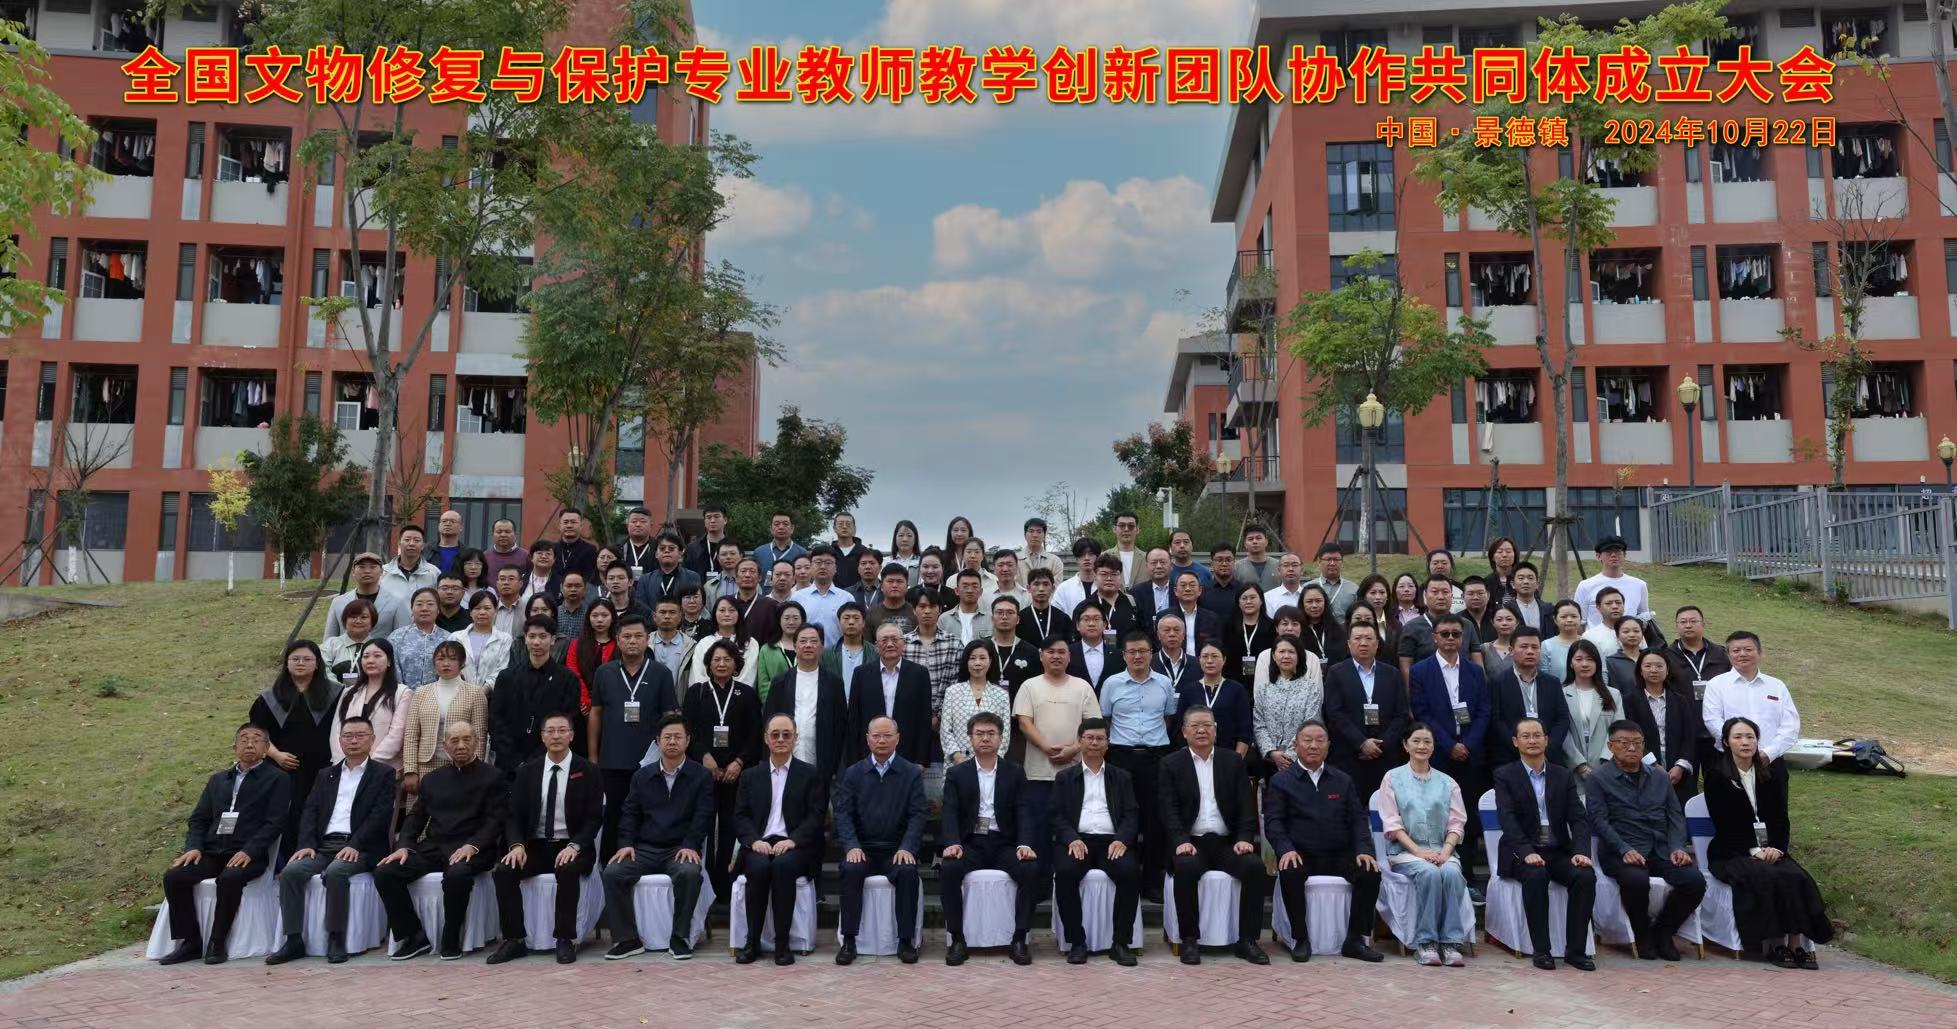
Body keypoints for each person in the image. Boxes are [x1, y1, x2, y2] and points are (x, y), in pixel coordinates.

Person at [155, 724, 293, 965]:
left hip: (248, 855)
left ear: (266, 748)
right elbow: (199, 819)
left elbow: (275, 823)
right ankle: (191, 942)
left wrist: (250, 850)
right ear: (234, 748)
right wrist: (193, 847)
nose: (249, 744)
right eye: (243, 739)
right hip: (212, 852)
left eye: (257, 739)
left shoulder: (277, 779)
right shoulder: (218, 780)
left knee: (229, 878)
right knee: (174, 877)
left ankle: (217, 942)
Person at [1707, 717, 1836, 971]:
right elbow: (1724, 822)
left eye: (1750, 737)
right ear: (1726, 742)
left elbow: (1780, 817)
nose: (1745, 742)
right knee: (1768, 876)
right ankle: (1776, 944)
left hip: (1770, 848)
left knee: (1795, 875)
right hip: (1731, 851)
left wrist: (1777, 847)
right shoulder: (1717, 775)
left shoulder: (1770, 773)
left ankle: (1796, 943)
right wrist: (1754, 850)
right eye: (1738, 737)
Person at [266, 717, 397, 965]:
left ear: (372, 739)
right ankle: (293, 940)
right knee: (291, 872)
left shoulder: (384, 774)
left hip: (361, 847)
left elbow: (379, 816)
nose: (354, 741)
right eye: (348, 736)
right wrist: (306, 844)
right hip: (323, 846)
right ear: (340, 740)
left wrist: (355, 845)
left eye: (360, 735)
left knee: (337, 872)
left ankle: (336, 937)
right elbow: (310, 811)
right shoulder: (326, 774)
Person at [373, 721, 506, 961]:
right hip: (435, 847)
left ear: (477, 742)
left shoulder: (493, 776)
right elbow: (416, 817)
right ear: (445, 746)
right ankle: (413, 936)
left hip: (473, 849)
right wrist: (404, 846)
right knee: (385, 872)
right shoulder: (433, 779)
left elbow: (495, 820)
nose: (461, 745)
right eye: (454, 741)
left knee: (457, 875)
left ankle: (451, 937)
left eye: (466, 739)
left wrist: (473, 845)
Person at [1265, 721, 1386, 963]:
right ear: (1295, 745)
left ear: (1329, 746)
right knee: (1290, 870)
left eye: (1320, 740)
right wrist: (1285, 849)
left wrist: (1364, 850)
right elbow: (1273, 822)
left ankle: (1355, 940)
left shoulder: (1342, 780)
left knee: (1370, 871)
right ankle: (1300, 939)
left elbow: (1357, 820)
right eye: (1307, 740)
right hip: (1300, 852)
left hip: (1338, 853)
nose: (1313, 746)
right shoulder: (1281, 781)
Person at [485, 713, 601, 964]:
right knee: (504, 871)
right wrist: (516, 845)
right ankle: (514, 939)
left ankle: (565, 938)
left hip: (572, 845)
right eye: (550, 731)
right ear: (542, 736)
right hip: (535, 845)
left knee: (568, 868)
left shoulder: (588, 771)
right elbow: (513, 815)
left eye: (562, 730)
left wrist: (575, 845)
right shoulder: (528, 771)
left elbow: (594, 818)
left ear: (572, 735)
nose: (556, 736)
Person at [1587, 719, 1707, 962]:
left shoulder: (1660, 776)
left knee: (1694, 881)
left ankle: (1663, 931)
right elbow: (1599, 821)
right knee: (1636, 880)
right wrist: (1624, 849)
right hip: (1621, 850)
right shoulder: (1598, 778)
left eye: (1637, 743)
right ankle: (1642, 934)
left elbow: (1675, 816)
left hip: (1660, 849)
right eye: (1624, 743)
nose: (1632, 748)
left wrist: (1677, 847)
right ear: (1610, 746)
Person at [1159, 706, 1268, 965]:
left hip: (1226, 842)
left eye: (1207, 725)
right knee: (1185, 868)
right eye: (1195, 726)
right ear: (1184, 732)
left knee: (1254, 868)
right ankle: (1189, 940)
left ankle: (1247, 940)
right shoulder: (1171, 764)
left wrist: (1244, 838)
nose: (1201, 730)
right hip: (1191, 842)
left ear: (1215, 730)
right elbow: (1167, 809)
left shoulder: (1232, 761)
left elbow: (1245, 806)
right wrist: (1180, 841)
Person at [601, 713, 714, 960]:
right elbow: (629, 813)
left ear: (688, 740)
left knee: (689, 873)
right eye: (667, 737)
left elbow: (703, 816)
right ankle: (627, 939)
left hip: (680, 848)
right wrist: (626, 843)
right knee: (613, 873)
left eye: (678, 737)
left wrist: (691, 844)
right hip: (645, 849)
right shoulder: (642, 776)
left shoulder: (700, 776)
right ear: (658, 741)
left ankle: (680, 937)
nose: (672, 742)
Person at [1493, 718, 1598, 971]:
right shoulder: (1505, 775)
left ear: (1546, 740)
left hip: (1557, 850)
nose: (1532, 741)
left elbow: (1579, 818)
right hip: (1521, 851)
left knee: (1585, 876)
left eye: (1537, 735)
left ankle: (1576, 951)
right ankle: (1541, 950)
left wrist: (1581, 852)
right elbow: (1508, 819)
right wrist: (1526, 852)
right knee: (1536, 875)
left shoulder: (1562, 775)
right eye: (1526, 736)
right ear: (1515, 742)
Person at [938, 711, 1039, 965]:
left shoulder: (1015, 772)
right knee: (949, 869)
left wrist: (1024, 844)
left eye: (991, 733)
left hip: (1004, 842)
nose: (985, 739)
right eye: (979, 734)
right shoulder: (957, 773)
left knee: (1030, 869)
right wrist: (953, 842)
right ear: (970, 738)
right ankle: (957, 939)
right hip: (970, 843)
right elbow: (949, 812)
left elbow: (1024, 811)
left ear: (1001, 738)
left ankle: (1019, 938)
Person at [833, 717, 929, 965]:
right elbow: (843, 814)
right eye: (876, 736)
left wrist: (907, 847)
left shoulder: (910, 773)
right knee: (850, 870)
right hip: (863, 849)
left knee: (907, 872)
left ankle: (906, 941)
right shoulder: (853, 773)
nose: (882, 740)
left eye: (887, 735)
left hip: (896, 850)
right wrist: (852, 846)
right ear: (868, 739)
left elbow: (918, 814)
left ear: (898, 738)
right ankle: (849, 941)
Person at [733, 714, 827, 965]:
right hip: (760, 843)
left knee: (783, 867)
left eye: (787, 734)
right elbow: (740, 816)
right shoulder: (751, 776)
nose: (781, 739)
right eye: (775, 734)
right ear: (766, 739)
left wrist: (793, 840)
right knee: (759, 867)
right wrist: (754, 841)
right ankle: (752, 942)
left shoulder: (810, 774)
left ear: (796, 738)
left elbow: (816, 816)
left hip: (795, 845)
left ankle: (782, 943)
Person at [586, 612, 680, 858]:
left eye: (638, 636)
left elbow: (669, 715)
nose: (632, 641)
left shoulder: (661, 673)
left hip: (650, 760)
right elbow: (595, 713)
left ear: (647, 639)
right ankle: (610, 864)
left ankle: (646, 859)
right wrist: (593, 756)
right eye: (626, 636)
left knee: (649, 812)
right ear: (617, 640)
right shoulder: (604, 672)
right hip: (612, 759)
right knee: (614, 813)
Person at [1379, 723, 1472, 966]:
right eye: (1416, 741)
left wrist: (1446, 852)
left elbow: (1457, 823)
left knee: (1451, 873)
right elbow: (1392, 824)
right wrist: (1418, 851)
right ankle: (1426, 942)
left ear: (1433, 746)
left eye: (1427, 741)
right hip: (1405, 852)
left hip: (1442, 850)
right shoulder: (1392, 778)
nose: (1422, 746)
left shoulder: (1448, 782)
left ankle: (1451, 942)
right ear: (1405, 745)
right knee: (1429, 873)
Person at [1051, 718, 1140, 965]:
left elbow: (1132, 814)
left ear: (1107, 744)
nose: (1094, 743)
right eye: (1089, 738)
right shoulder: (1065, 777)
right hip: (1078, 841)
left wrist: (1122, 839)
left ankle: (1120, 943)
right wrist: (1071, 838)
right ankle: (1077, 942)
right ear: (1079, 742)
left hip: (1112, 842)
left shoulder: (1121, 777)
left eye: (1100, 738)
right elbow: (1056, 815)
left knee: (1130, 872)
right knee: (1065, 873)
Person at [1013, 636, 1103, 881]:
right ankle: (1041, 882)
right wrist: (1047, 748)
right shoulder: (1029, 686)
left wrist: (1073, 750)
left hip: (1075, 771)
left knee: (1073, 826)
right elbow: (1024, 723)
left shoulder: (1082, 686)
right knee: (1040, 828)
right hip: (1038, 772)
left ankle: (1071, 878)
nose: (1056, 656)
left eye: (1061, 652)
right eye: (1050, 651)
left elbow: (1093, 726)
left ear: (1069, 656)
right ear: (1041, 656)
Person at [681, 638, 764, 902]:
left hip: (735, 774)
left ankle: (725, 886)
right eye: (716, 659)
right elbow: (687, 730)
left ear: (736, 664)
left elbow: (755, 734)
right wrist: (703, 756)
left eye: (727, 659)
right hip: (703, 773)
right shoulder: (696, 693)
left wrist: (739, 762)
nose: (721, 664)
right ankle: (702, 884)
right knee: (702, 826)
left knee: (730, 828)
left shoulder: (746, 694)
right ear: (708, 664)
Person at [1408, 613, 1490, 876]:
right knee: (1437, 815)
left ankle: (1467, 877)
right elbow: (1422, 712)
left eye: (1456, 634)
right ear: (1434, 637)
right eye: (1445, 634)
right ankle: (1437, 869)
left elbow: (1484, 711)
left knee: (1466, 817)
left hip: (1470, 755)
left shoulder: (1474, 671)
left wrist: (1468, 744)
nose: (1451, 638)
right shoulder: (1420, 671)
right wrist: (1448, 745)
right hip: (1438, 755)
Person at [1098, 631, 1178, 896]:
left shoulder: (1164, 683)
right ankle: (1126, 876)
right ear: (1123, 655)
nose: (1137, 656)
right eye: (1132, 652)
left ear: (1151, 654)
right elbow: (1106, 719)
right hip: (1121, 756)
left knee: (1155, 819)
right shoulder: (1112, 684)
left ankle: (1152, 882)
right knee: (1123, 815)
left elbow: (1168, 717)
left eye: (1142, 651)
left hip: (1156, 756)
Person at [250, 641, 342, 858]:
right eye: (295, 659)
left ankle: (316, 857)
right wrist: (276, 755)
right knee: (286, 815)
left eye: (307, 659)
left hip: (323, 768)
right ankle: (284, 861)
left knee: (318, 812)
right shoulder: (270, 697)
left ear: (317, 664)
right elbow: (258, 732)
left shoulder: (336, 694)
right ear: (287, 663)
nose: (301, 663)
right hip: (282, 768)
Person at [1321, 622, 1409, 803]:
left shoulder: (1392, 674)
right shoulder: (1336, 672)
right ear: (1349, 644)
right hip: (1349, 756)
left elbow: (1401, 714)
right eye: (1358, 638)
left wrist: (1381, 745)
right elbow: (1334, 713)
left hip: (1385, 757)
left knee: (1386, 809)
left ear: (1377, 644)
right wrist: (1361, 743)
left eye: (1369, 638)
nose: (1363, 643)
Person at [491, 615, 584, 774]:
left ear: (553, 639)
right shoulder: (506, 677)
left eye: (543, 636)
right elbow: (496, 719)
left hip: (550, 761)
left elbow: (568, 720)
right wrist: (513, 760)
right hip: (508, 764)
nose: (536, 642)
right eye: (532, 636)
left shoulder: (568, 679)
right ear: (525, 639)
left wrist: (535, 761)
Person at [762, 624, 850, 783]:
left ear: (821, 647)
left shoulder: (834, 682)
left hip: (822, 762)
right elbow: (768, 721)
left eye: (813, 641)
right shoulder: (780, 682)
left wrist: (837, 766)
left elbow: (841, 725)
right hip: (784, 758)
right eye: (803, 641)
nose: (808, 645)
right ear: (795, 646)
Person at [400, 641, 489, 793]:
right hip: (425, 765)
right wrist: (410, 770)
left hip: (461, 765)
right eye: (440, 659)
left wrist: (475, 770)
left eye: (452, 659)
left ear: (462, 663)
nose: (446, 664)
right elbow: (411, 734)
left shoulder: (475, 693)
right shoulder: (421, 693)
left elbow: (479, 736)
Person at [1701, 631, 1799, 764]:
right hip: (1730, 759)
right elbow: (1712, 720)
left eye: (1748, 649)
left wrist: (1770, 752)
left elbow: (1791, 725)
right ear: (1728, 655)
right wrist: (1738, 748)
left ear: (1760, 652)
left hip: (1770, 760)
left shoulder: (1776, 686)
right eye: (1736, 650)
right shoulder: (1716, 685)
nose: (1742, 654)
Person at [846, 622, 935, 766]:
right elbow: (854, 719)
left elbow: (924, 719)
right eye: (884, 640)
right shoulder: (861, 673)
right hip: (869, 754)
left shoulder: (919, 673)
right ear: (876, 646)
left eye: (894, 639)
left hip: (908, 754)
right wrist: (854, 760)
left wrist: (922, 760)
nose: (889, 644)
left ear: (903, 643)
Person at [1488, 626, 1573, 769]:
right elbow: (1496, 721)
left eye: (1535, 647)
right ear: (1511, 650)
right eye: (1524, 647)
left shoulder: (1552, 683)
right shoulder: (1497, 683)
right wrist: (1521, 748)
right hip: (1511, 759)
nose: (1530, 651)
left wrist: (1546, 748)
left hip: (1548, 758)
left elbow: (1562, 718)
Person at [1629, 649, 1702, 803]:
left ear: (1667, 670)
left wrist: (1680, 766)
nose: (1653, 670)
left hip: (1678, 769)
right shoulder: (1629, 700)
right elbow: (1630, 737)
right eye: (1648, 666)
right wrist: (1653, 764)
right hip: (1643, 767)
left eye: (1659, 666)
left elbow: (1689, 736)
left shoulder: (1681, 700)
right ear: (1640, 670)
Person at [333, 640, 408, 770]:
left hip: (383, 769)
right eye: (366, 656)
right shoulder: (348, 692)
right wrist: (342, 763)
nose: (370, 660)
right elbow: (336, 731)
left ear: (389, 661)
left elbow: (397, 735)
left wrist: (367, 765)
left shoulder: (402, 693)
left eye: (377, 656)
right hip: (346, 769)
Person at [1256, 637, 1325, 777]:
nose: (1286, 656)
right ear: (1274, 656)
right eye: (1281, 652)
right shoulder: (1264, 689)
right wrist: (1272, 753)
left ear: (1299, 656)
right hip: (1270, 762)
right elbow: (1259, 724)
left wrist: (1289, 756)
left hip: (1301, 760)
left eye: (1291, 652)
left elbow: (1311, 723)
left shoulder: (1311, 688)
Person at [940, 641, 1013, 765]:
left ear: (990, 661)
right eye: (972, 658)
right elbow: (946, 730)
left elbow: (1005, 733)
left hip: (991, 762)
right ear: (966, 662)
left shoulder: (1001, 694)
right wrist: (957, 756)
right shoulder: (952, 691)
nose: (977, 663)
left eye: (982, 658)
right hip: (958, 763)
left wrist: (994, 759)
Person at [1560, 640, 1624, 777]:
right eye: (1579, 659)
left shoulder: (1613, 694)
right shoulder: (1560, 694)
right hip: (1571, 769)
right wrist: (1580, 765)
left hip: (1607, 768)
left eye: (1590, 659)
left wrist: (1606, 761)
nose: (1584, 664)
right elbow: (1562, 733)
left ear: (1597, 663)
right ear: (1570, 663)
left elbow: (1618, 730)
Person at [1184, 641, 1255, 763]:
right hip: (1195, 759)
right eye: (1205, 656)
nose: (1209, 661)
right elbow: (1181, 728)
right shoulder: (1189, 690)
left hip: (1229, 756)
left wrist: (1236, 761)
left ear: (1224, 660)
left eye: (1215, 656)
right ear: (1199, 659)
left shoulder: (1237, 690)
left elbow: (1245, 730)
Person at [1399, 575, 1480, 678]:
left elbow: (1477, 661)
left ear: (1451, 596)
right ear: (1425, 595)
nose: (1440, 597)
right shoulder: (1411, 627)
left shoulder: (1466, 625)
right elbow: (1405, 666)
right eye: (1434, 592)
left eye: (1445, 592)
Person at [679, 595, 762, 689]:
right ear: (715, 614)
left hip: (740, 695)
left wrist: (730, 693)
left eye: (732, 610)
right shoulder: (704, 643)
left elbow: (749, 676)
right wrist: (713, 693)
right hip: (707, 695)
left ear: (739, 614)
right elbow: (697, 675)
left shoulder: (750, 643)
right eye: (722, 610)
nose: (727, 614)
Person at [902, 590, 963, 712]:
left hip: (945, 713)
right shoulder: (903, 643)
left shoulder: (954, 643)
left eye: (932, 606)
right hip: (909, 712)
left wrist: (939, 714)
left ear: (939, 609)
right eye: (922, 606)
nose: (927, 611)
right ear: (914, 610)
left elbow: (957, 684)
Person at [1574, 535, 1650, 630]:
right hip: (1595, 638)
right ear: (1598, 556)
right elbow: (1580, 622)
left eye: (1618, 551)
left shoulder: (1639, 585)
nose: (1613, 555)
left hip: (1628, 637)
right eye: (1608, 551)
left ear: (1624, 555)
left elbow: (1643, 617)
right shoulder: (1585, 586)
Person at [326, 553, 405, 639]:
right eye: (361, 567)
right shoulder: (338, 602)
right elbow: (329, 639)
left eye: (373, 567)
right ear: (353, 571)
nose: (367, 571)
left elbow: (401, 638)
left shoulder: (396, 602)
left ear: (381, 571)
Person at [1665, 605, 1731, 704]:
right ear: (1676, 626)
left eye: (1693, 621)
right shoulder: (1666, 656)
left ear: (1703, 624)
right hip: (1680, 709)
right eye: (1683, 622)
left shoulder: (1722, 654)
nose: (1688, 625)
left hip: (1718, 708)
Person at [449, 589, 513, 686]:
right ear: (470, 612)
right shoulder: (456, 637)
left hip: (493, 693)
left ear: (496, 611)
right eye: (477, 608)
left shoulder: (505, 639)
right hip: (459, 691)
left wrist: (485, 689)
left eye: (487, 608)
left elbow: (502, 669)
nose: (482, 612)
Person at [388, 587, 449, 688]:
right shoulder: (397, 637)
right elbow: (392, 670)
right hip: (403, 695)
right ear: (412, 609)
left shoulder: (448, 638)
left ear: (438, 610)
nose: (424, 608)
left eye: (430, 604)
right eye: (419, 604)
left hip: (439, 695)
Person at [564, 600, 619, 705]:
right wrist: (585, 701)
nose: (599, 620)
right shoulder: (577, 644)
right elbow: (574, 673)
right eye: (595, 615)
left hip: (613, 701)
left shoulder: (620, 644)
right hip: (582, 702)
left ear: (612, 618)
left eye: (605, 615)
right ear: (588, 618)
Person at [632, 532, 703, 612]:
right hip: (652, 619)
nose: (666, 551)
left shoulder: (692, 577)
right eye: (662, 548)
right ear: (656, 554)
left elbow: (695, 605)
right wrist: (656, 618)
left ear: (680, 554)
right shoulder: (645, 580)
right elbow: (641, 607)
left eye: (671, 548)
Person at [1219, 583, 1273, 685]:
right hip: (1233, 681)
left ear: (1261, 601)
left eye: (1252, 597)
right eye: (1244, 598)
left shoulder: (1272, 627)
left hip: (1265, 680)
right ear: (1238, 603)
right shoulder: (1228, 627)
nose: (1248, 601)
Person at [378, 526, 440, 611]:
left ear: (423, 545)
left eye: (416, 540)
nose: (411, 544)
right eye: (407, 540)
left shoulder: (434, 572)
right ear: (399, 543)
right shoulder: (383, 571)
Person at [751, 602, 804, 699]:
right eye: (786, 618)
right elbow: (763, 686)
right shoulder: (767, 650)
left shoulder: (808, 647)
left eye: (796, 618)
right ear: (779, 620)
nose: (791, 622)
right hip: (776, 704)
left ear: (802, 620)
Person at [321, 598, 381, 685]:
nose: (358, 621)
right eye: (353, 617)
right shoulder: (331, 645)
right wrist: (341, 690)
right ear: (345, 620)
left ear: (373, 621)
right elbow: (323, 669)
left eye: (364, 617)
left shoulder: (379, 646)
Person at [1067, 603, 1121, 694]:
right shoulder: (1067, 653)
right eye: (1086, 619)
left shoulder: (1117, 655)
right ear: (1078, 625)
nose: (1091, 624)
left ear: (1104, 625)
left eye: (1096, 619)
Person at [1020, 568, 1074, 650]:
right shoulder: (1020, 618)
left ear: (1053, 588)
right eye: (1036, 584)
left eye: (1045, 584)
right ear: (1028, 588)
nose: (1041, 589)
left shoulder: (1063, 618)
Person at [820, 602, 871, 687]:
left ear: (863, 623)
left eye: (856, 618)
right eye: (846, 618)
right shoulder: (826, 654)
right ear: (839, 622)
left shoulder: (874, 653)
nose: (851, 622)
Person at [1297, 583, 1348, 666]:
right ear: (1302, 604)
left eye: (1318, 601)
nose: (1314, 605)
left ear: (1325, 602)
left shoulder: (1338, 630)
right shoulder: (1297, 631)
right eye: (1309, 601)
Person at [1306, 543, 1359, 622]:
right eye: (1328, 559)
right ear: (1319, 562)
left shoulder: (1354, 589)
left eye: (1336, 559)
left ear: (1342, 563)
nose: (1332, 563)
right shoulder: (1307, 588)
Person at [1052, 538, 1101, 617]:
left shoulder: (1104, 586)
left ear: (1097, 557)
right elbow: (1055, 616)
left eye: (1091, 554)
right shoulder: (1064, 588)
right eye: (1082, 554)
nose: (1087, 558)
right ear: (1076, 558)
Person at [1540, 599, 1586, 684]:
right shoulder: (1546, 645)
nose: (1569, 620)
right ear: (1555, 619)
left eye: (1574, 616)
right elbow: (1543, 676)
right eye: (1563, 617)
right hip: (1556, 691)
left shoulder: (1589, 643)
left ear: (1580, 618)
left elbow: (1601, 672)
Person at [680, 504, 731, 580]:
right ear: (704, 522)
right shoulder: (692, 548)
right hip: (698, 587)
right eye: (709, 517)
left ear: (725, 520)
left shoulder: (733, 547)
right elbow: (684, 573)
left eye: (716, 516)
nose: (712, 521)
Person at [867, 562, 919, 636]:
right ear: (881, 586)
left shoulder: (917, 613)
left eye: (899, 581)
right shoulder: (871, 614)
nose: (894, 585)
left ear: (907, 586)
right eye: (890, 581)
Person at [1127, 548, 1174, 626]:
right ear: (1146, 566)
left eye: (1163, 562)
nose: (1158, 566)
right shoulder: (1136, 592)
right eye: (1154, 563)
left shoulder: (1179, 590)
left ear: (1171, 565)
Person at [1014, 516, 1065, 588]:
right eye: (1031, 531)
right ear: (1025, 535)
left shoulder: (1055, 561)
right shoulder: (1014, 560)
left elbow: (1055, 588)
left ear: (1044, 536)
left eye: (1039, 532)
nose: (1035, 535)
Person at [551, 510, 598, 583]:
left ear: (581, 526)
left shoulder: (590, 550)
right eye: (565, 522)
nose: (569, 525)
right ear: (560, 526)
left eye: (573, 522)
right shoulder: (551, 549)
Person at [1508, 562, 1554, 633]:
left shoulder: (1549, 609)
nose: (1526, 582)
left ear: (1537, 584)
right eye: (1521, 578)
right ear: (1513, 584)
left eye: (1530, 578)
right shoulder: (1506, 609)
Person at [614, 506, 659, 579]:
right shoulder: (617, 549)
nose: (638, 524)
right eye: (634, 521)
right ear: (627, 525)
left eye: (643, 521)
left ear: (651, 525)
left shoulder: (658, 548)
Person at [1480, 604, 1520, 683]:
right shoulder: (1484, 649)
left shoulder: (1523, 648)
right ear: (1492, 622)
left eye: (1509, 619)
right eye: (1499, 620)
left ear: (1517, 622)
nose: (1504, 623)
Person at [1233, 525, 1280, 589]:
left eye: (1258, 538)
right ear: (1245, 544)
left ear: (1266, 542)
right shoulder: (1236, 567)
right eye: (1250, 539)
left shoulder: (1278, 566)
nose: (1254, 542)